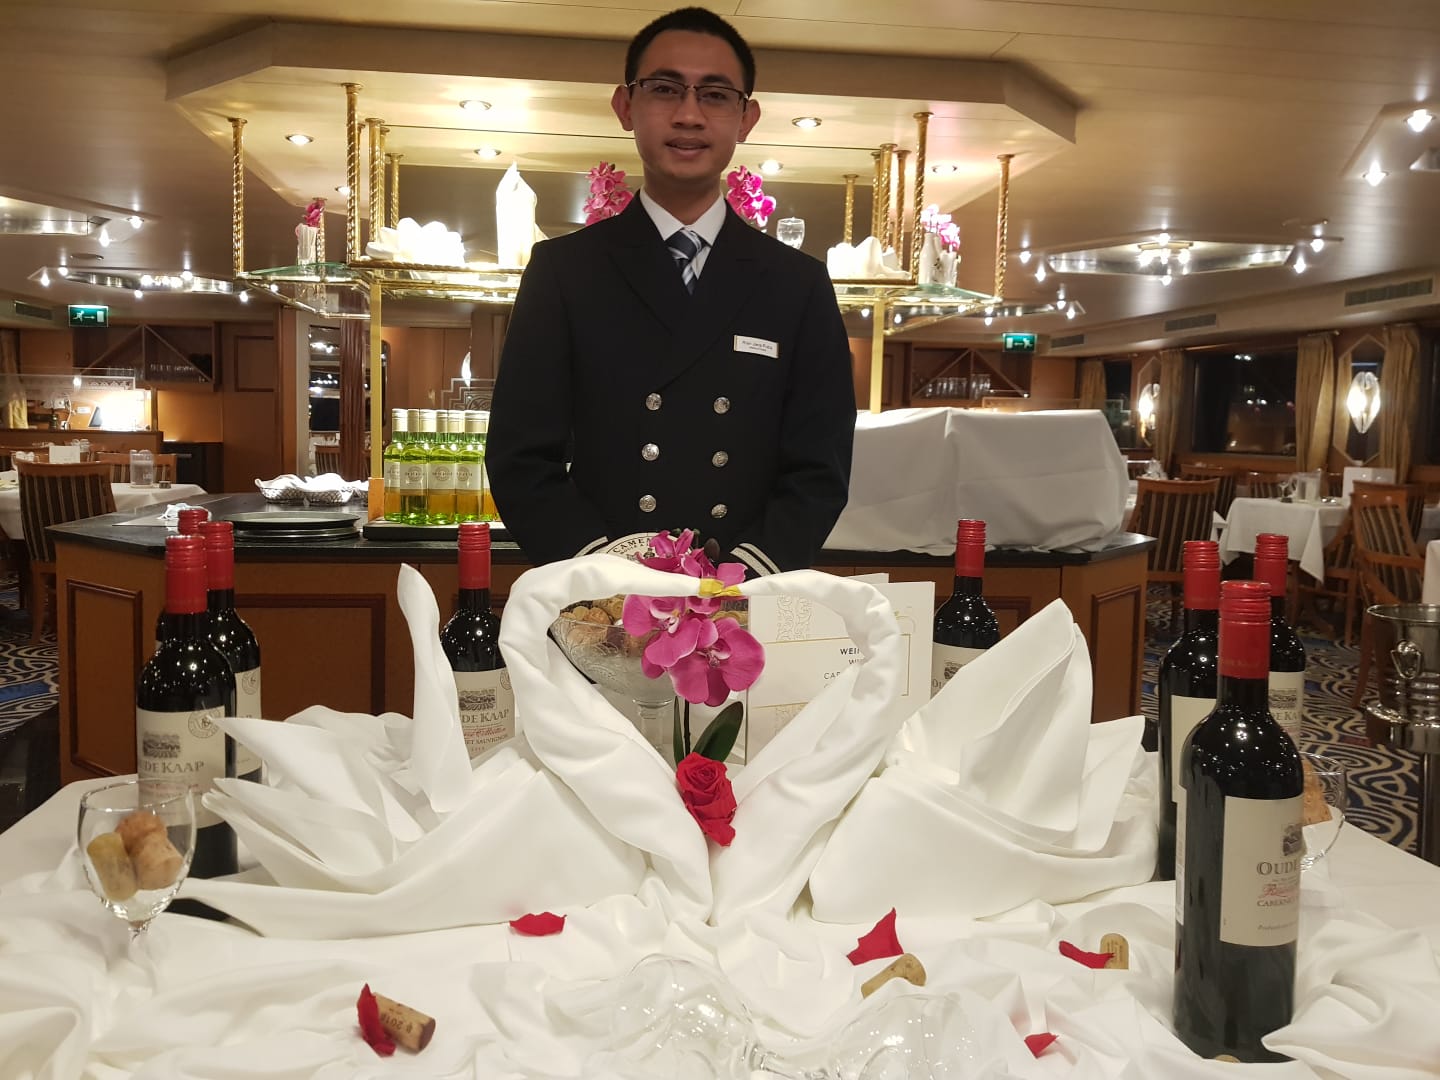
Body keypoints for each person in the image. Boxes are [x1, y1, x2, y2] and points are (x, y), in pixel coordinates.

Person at [486, 6, 856, 576]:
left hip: (744, 597)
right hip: (602, 599)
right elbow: (521, 461)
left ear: (747, 118)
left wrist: (735, 587)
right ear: (625, 106)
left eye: (715, 95)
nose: (688, 114)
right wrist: (609, 580)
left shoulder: (797, 283)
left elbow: (819, 470)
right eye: (664, 89)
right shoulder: (564, 271)